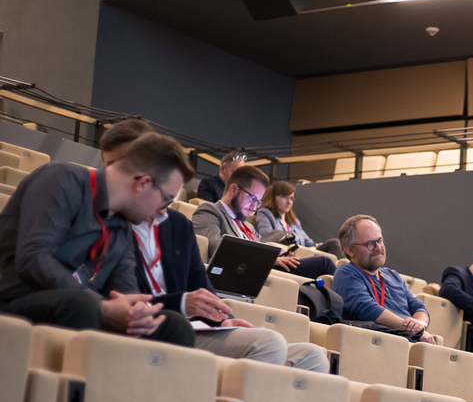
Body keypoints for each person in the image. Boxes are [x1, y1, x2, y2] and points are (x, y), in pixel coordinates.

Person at [99, 120, 328, 372]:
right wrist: (182, 303)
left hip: (195, 326)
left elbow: (202, 285)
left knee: (313, 356)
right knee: (269, 343)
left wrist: (224, 321)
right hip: (164, 326)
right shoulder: (108, 221)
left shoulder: (177, 224)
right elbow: (125, 297)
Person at [0, 132, 195, 347]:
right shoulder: (61, 179)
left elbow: (125, 287)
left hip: (84, 309)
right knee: (81, 305)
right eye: (166, 200)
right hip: (14, 303)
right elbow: (33, 259)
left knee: (174, 326)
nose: (163, 213)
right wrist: (101, 305)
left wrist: (136, 312)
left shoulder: (123, 224)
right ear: (143, 183)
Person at [191, 165, 336, 280]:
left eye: (258, 202)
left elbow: (261, 248)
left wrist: (277, 256)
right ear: (234, 189)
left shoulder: (248, 226)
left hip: (263, 272)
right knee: (324, 263)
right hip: (241, 273)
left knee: (318, 291)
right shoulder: (209, 212)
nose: (254, 207)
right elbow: (218, 248)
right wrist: (268, 260)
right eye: (252, 198)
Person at [332, 214, 435, 344]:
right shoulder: (346, 273)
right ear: (349, 250)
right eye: (370, 244)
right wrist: (409, 329)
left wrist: (419, 325)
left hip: (410, 339)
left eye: (380, 240)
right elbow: (367, 309)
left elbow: (418, 307)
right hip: (380, 342)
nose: (378, 248)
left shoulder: (393, 276)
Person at [254, 181, 341, 257]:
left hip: (304, 252)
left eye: (291, 198)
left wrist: (312, 248)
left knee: (333, 243)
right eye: (284, 196)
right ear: (273, 197)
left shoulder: (294, 221)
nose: (289, 201)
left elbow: (308, 242)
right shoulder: (265, 213)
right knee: (325, 261)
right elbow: (266, 236)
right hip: (288, 254)